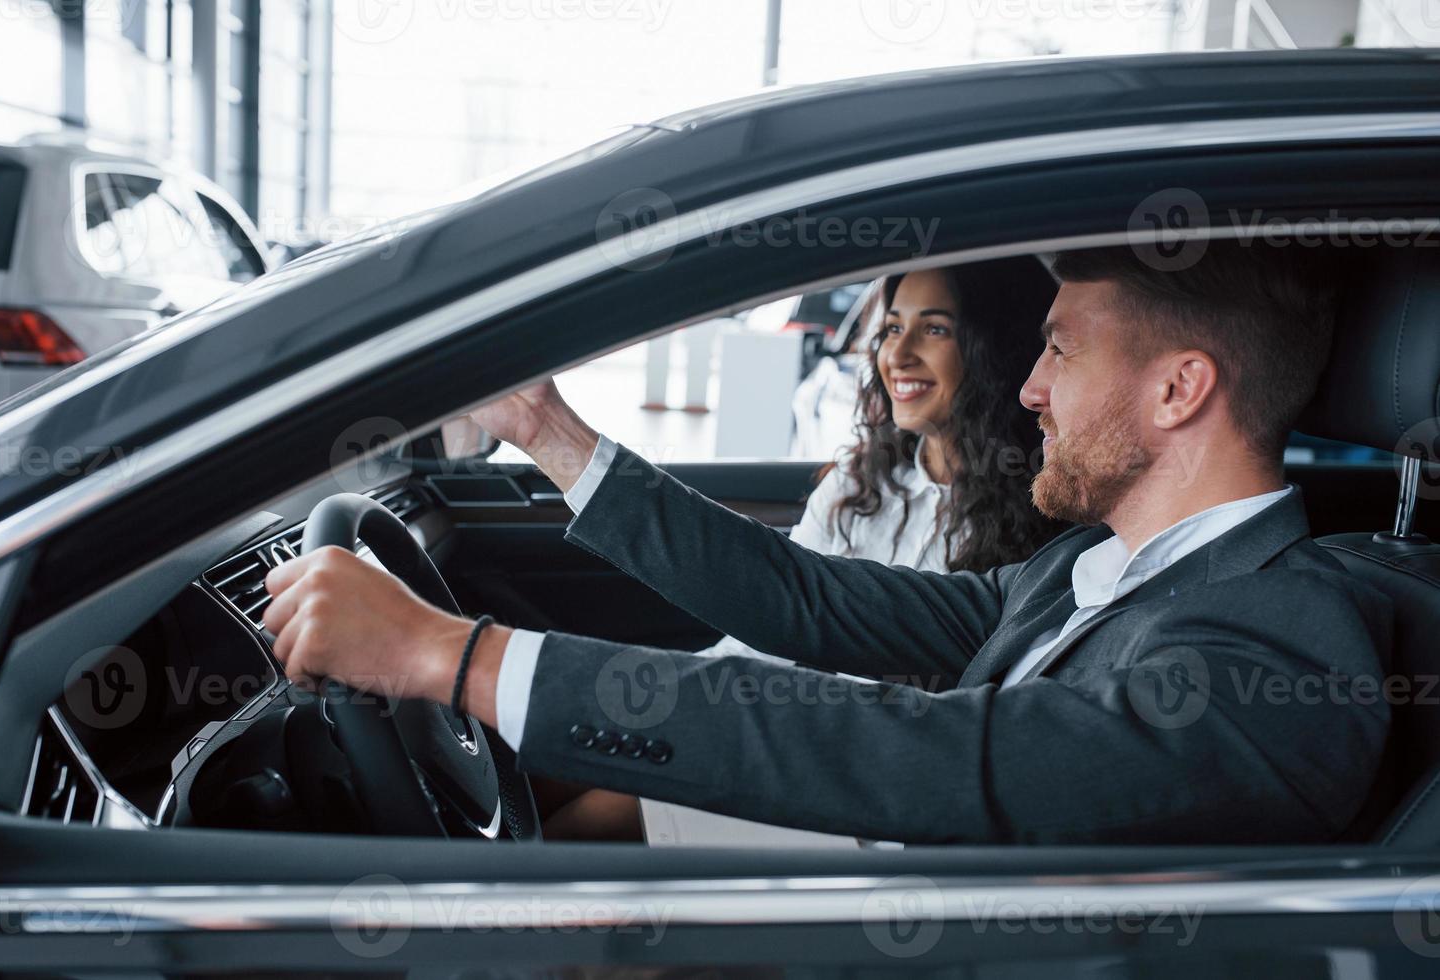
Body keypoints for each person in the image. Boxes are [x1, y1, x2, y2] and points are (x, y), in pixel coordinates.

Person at [263, 242, 1393, 845]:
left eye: (1060, 351)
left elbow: (925, 751)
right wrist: (547, 434)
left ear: (1178, 387)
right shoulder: (1074, 569)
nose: (1031, 386)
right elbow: (809, 603)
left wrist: (451, 657)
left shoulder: (1280, 641)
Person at [546, 257, 1065, 839]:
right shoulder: (859, 483)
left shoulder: (1046, 515)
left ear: (995, 346)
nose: (899, 353)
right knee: (559, 745)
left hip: (864, 776)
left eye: (936, 329)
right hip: (776, 719)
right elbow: (764, 624)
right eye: (893, 327)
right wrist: (682, 697)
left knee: (595, 817)